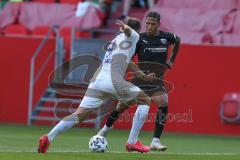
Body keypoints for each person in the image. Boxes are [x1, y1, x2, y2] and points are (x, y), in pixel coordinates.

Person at [38, 17, 156, 154]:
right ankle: (132, 142)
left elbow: (128, 61)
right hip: (113, 81)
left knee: (79, 115)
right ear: (139, 29)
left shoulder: (115, 40)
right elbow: (131, 33)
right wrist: (126, 27)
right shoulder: (134, 36)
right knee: (145, 100)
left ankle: (48, 137)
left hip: (97, 81)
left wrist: (141, 75)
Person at [97, 11, 181, 151]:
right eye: (147, 24)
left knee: (163, 100)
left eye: (152, 24)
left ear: (158, 24)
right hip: (140, 80)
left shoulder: (166, 37)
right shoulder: (139, 40)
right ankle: (106, 128)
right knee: (121, 106)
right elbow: (127, 58)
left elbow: (178, 40)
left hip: (156, 83)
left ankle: (155, 140)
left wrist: (171, 60)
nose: (149, 27)